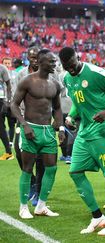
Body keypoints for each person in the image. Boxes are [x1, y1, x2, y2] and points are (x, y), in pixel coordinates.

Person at [60, 47, 105, 235]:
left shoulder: (97, 73)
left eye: (72, 65)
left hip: (104, 131)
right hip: (84, 131)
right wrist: (71, 117)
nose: (71, 70)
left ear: (78, 58)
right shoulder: (67, 78)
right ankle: (98, 216)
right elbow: (78, 100)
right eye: (67, 67)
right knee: (75, 172)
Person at [11, 49, 65, 219]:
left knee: (52, 168)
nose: (54, 64)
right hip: (31, 129)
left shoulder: (55, 84)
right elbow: (14, 104)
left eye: (55, 61)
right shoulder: (27, 81)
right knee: (27, 169)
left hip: (47, 132)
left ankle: (41, 206)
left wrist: (60, 127)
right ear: (41, 62)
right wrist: (24, 125)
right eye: (51, 62)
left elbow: (57, 108)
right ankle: (23, 207)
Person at [14, 46, 46, 206]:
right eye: (31, 57)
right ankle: (32, 182)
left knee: (41, 158)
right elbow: (15, 100)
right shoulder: (20, 75)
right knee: (19, 153)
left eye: (36, 58)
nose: (34, 60)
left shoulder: (47, 74)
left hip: (42, 123)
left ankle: (39, 191)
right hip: (24, 120)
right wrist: (22, 121)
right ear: (27, 58)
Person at [0, 62, 13, 160]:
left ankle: (8, 152)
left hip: (0, 100)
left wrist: (8, 101)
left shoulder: (2, 68)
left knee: (0, 127)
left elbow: (8, 85)